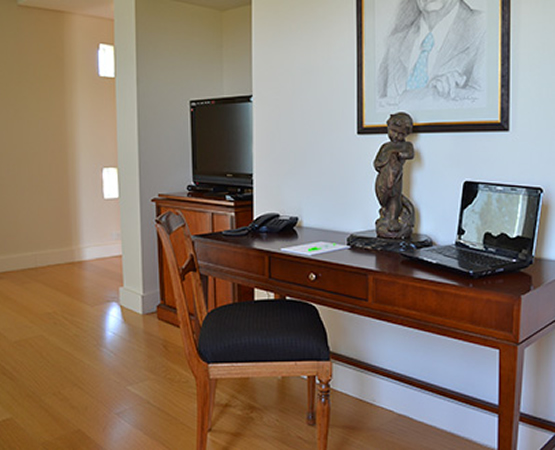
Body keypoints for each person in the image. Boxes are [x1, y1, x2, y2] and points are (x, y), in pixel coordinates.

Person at [377, 0, 486, 108]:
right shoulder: (395, 43)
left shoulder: (484, 26)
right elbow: (376, 106)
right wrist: (429, 94)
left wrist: (430, 95)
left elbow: (485, 101)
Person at [374, 112, 415, 239]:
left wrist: (397, 154)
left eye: (401, 134)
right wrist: (382, 163)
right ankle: (385, 216)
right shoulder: (385, 147)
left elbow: (410, 154)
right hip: (383, 178)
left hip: (397, 178)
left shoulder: (406, 145)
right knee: (384, 199)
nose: (396, 136)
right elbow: (376, 163)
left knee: (395, 198)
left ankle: (393, 219)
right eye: (393, 131)